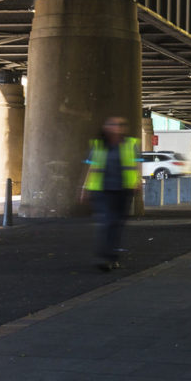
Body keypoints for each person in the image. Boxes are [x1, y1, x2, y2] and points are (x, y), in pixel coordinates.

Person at [80, 115, 138, 271]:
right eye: (113, 124)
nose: (117, 127)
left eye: (120, 125)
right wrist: (85, 188)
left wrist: (137, 182)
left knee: (117, 224)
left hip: (124, 190)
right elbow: (91, 167)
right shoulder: (98, 145)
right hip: (102, 190)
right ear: (106, 128)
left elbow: (136, 165)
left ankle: (112, 257)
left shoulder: (131, 144)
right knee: (107, 222)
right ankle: (104, 257)